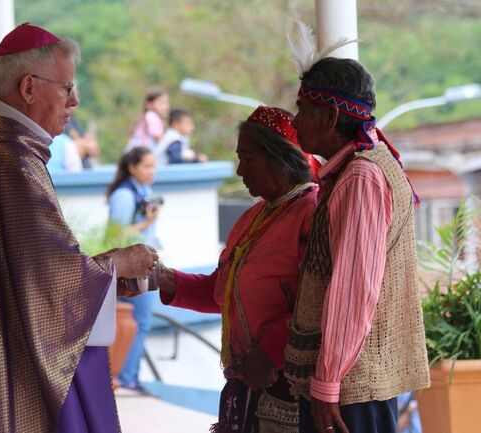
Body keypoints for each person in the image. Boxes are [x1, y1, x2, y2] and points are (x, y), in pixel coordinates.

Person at [0, 23, 159, 433]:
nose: (75, 100)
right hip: (12, 362)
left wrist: (104, 277)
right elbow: (51, 278)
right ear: (29, 88)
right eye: (66, 87)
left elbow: (33, 266)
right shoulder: (13, 161)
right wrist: (117, 264)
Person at [282, 55, 431, 432]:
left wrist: (328, 384)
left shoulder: (361, 176)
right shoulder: (366, 164)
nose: (295, 121)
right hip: (354, 380)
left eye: (303, 108)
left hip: (353, 385)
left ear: (330, 117)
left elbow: (353, 290)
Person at [157, 106, 318, 433]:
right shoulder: (253, 217)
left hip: (286, 388)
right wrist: (164, 279)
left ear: (280, 159)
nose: (240, 170)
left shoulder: (310, 213)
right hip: (246, 387)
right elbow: (222, 291)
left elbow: (317, 304)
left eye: (248, 159)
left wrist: (271, 352)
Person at [106, 146, 162, 390]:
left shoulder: (143, 191)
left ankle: (130, 377)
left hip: (143, 265)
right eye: (146, 166)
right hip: (130, 268)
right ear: (132, 167)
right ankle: (126, 379)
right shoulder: (125, 195)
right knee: (137, 322)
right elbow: (115, 233)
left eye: (153, 165)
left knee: (140, 322)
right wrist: (146, 223)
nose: (152, 171)